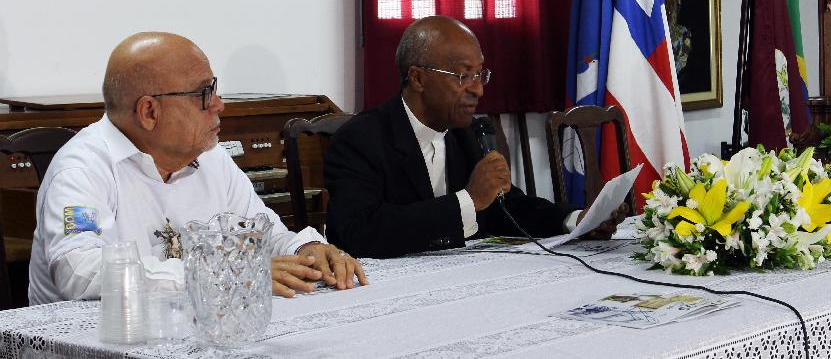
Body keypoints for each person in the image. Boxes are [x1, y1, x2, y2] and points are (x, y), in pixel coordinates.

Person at [28, 32, 367, 305]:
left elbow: (263, 235)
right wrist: (211, 273)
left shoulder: (211, 157)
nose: (219, 104)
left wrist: (305, 252)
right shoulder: (81, 168)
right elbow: (79, 271)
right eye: (204, 93)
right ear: (149, 112)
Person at [325, 16, 626, 258]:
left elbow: (506, 207)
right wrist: (467, 200)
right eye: (463, 76)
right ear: (417, 78)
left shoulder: (464, 132)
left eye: (480, 75)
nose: (478, 89)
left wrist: (575, 221)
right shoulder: (360, 139)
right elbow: (359, 233)